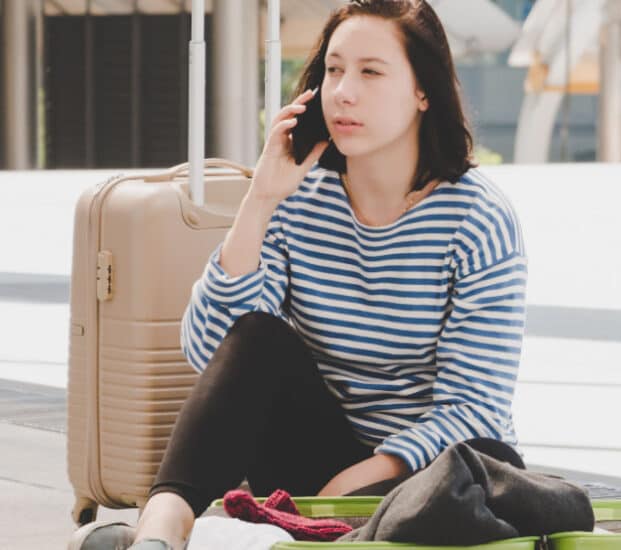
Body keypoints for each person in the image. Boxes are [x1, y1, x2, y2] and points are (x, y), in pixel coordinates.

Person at [69, 1, 527, 548]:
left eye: (371, 72)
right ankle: (158, 534)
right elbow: (210, 350)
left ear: (423, 92)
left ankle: (313, 530)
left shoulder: (477, 219)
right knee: (260, 336)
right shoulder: (297, 197)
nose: (343, 92)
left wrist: (351, 483)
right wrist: (260, 199)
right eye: (334, 70)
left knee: (487, 458)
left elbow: (472, 409)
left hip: (422, 473)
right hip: (312, 460)